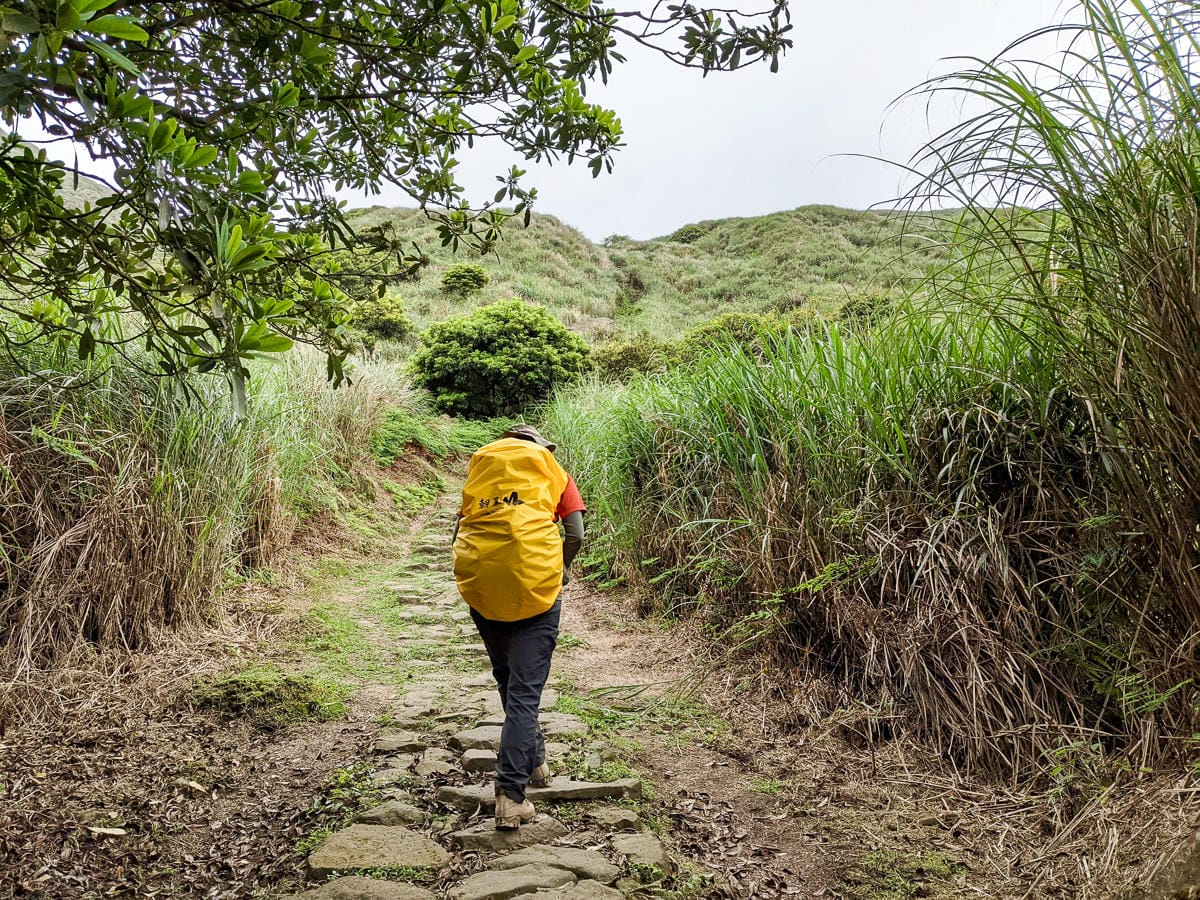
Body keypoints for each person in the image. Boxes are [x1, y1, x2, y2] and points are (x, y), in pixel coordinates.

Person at [452, 424, 586, 829]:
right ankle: (510, 795)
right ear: (540, 447)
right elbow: (576, 533)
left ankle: (535, 761)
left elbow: (462, 525)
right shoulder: (554, 470)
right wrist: (558, 569)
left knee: (509, 679)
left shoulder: (482, 469)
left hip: (484, 588)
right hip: (536, 591)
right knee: (526, 691)